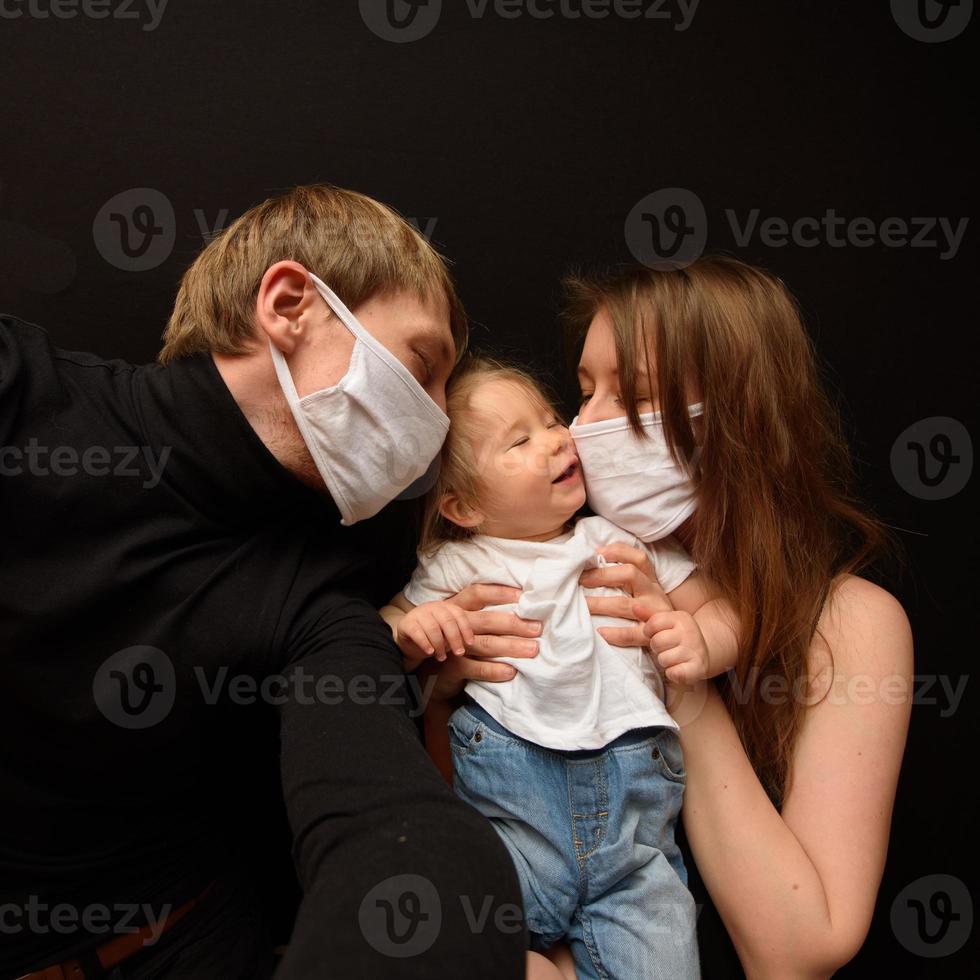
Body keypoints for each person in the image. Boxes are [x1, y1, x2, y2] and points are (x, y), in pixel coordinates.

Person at [0, 185, 529, 979]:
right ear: (289, 305)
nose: (439, 419)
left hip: (186, 944)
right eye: (422, 366)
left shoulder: (327, 587)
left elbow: (393, 821)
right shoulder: (21, 397)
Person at [420, 257, 913, 978]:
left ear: (739, 413)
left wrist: (676, 669)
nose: (581, 429)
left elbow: (799, 951)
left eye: (633, 395)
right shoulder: (543, 569)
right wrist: (447, 696)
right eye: (584, 393)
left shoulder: (850, 621)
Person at [382, 355, 744, 979]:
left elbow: (723, 608)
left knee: (668, 960)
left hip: (632, 843)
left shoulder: (619, 539)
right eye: (520, 440)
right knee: (436, 932)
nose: (556, 439)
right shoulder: (459, 563)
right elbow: (385, 630)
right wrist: (413, 632)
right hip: (510, 814)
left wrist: (703, 640)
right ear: (463, 507)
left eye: (552, 420)